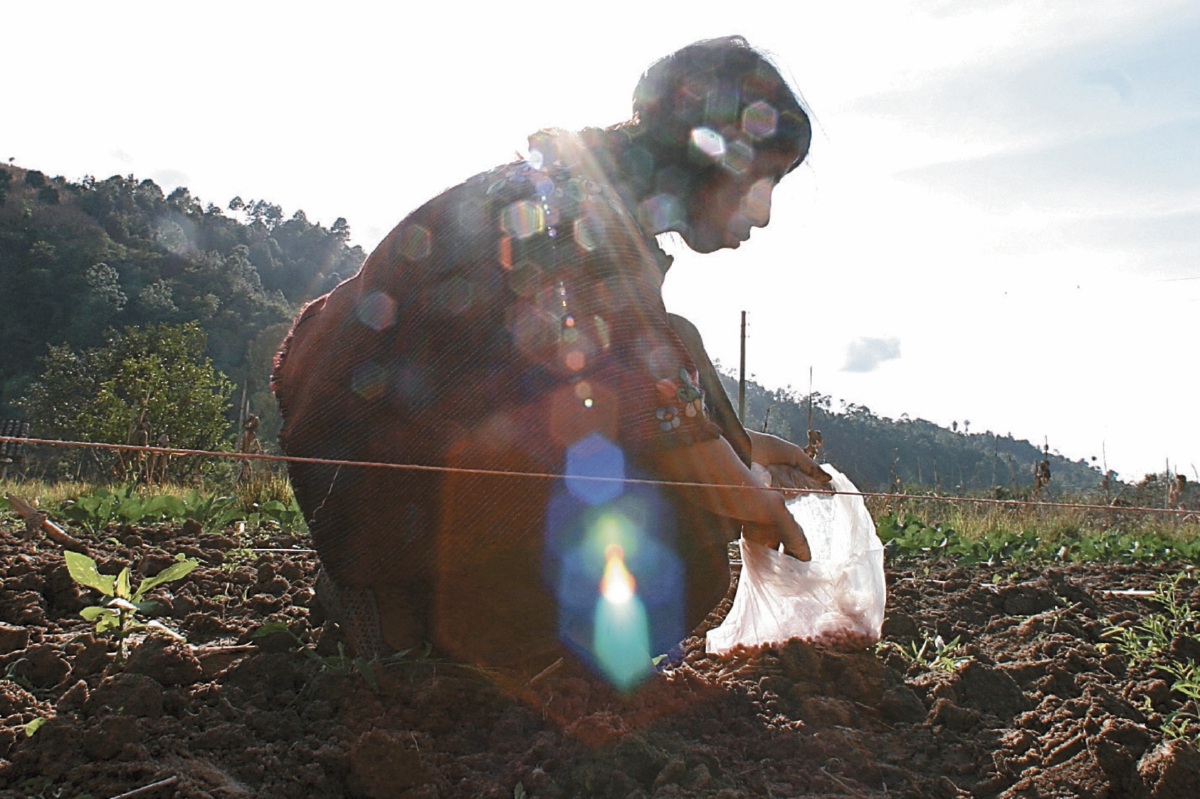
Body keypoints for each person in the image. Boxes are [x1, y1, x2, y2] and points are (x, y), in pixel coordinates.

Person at [273, 36, 831, 679]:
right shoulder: (583, 216)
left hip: (376, 461)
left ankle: (396, 585)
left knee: (679, 344)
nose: (762, 214)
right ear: (705, 153)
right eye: (761, 180)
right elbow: (632, 388)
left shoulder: (570, 188)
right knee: (691, 556)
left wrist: (745, 449)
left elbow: (635, 371)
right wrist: (761, 510)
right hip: (387, 479)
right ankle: (413, 613)